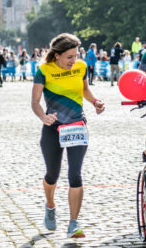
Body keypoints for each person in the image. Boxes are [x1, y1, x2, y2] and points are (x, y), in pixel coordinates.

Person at [31, 33, 105, 238]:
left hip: (77, 126)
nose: (74, 61)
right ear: (56, 55)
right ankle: (50, 205)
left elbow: (84, 90)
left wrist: (95, 102)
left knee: (75, 174)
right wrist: (43, 116)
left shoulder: (81, 67)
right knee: (52, 174)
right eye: (69, 57)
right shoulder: (44, 70)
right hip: (53, 128)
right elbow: (35, 102)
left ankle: (73, 222)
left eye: (76, 55)